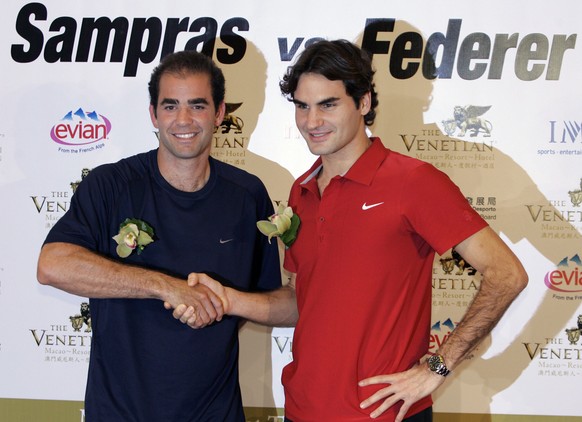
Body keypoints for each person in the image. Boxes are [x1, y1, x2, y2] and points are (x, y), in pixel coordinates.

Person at [172, 39, 528, 422]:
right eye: (302, 106)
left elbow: (507, 274)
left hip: (385, 413)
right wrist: (227, 299)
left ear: (363, 103)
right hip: (303, 410)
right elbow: (302, 302)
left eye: (328, 104)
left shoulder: (413, 182)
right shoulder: (301, 191)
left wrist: (438, 366)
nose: (312, 121)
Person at [36, 50, 282, 421]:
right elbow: (52, 265)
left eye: (197, 106)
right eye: (170, 106)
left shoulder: (247, 195)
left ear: (219, 113)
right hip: (120, 413)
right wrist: (166, 286)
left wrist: (225, 300)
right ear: (153, 114)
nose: (183, 120)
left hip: (215, 413)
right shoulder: (110, 185)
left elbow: (281, 301)